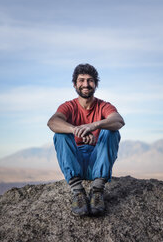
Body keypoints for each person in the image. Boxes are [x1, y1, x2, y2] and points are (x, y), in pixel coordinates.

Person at [47, 63, 125, 216]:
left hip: (96, 164)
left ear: (95, 84)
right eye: (81, 80)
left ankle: (97, 191)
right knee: (60, 134)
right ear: (75, 84)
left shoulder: (104, 106)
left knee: (112, 132)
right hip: (75, 162)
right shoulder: (68, 106)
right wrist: (76, 130)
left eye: (90, 80)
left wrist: (93, 126)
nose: (85, 84)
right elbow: (52, 122)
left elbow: (119, 121)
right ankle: (78, 192)